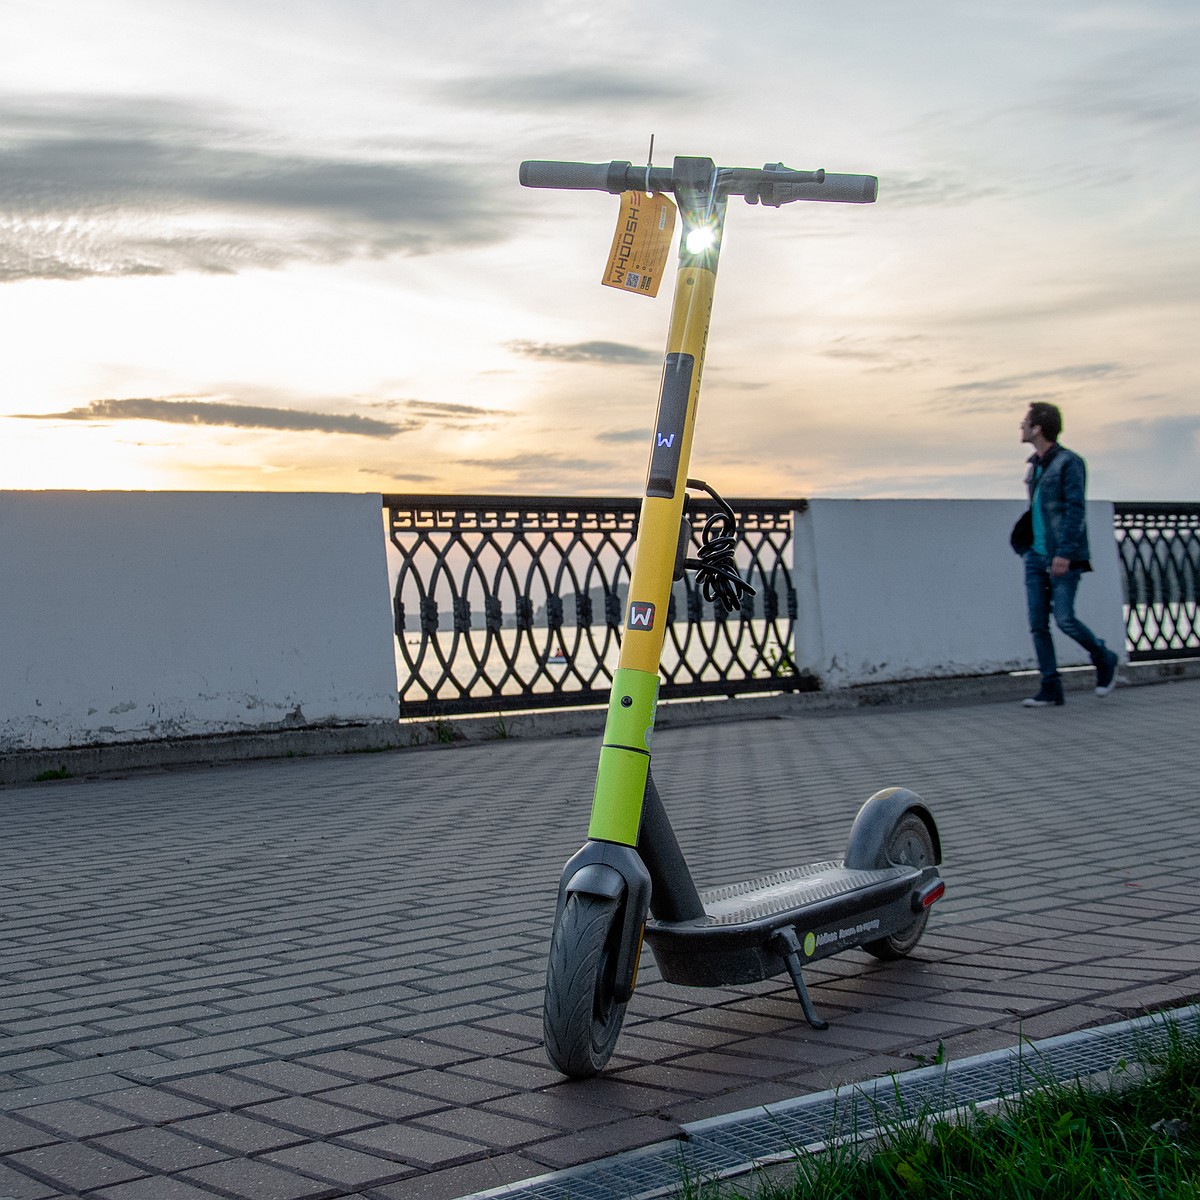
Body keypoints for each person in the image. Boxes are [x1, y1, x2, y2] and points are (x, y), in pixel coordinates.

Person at [1015, 402, 1119, 707]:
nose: (1020, 427)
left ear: (1037, 428)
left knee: (1064, 619)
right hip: (1035, 553)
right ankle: (1051, 688)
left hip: (1062, 555)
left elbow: (1076, 510)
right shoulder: (1035, 465)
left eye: (1025, 422)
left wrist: (1064, 553)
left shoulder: (1069, 463)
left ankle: (1104, 657)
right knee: (1037, 624)